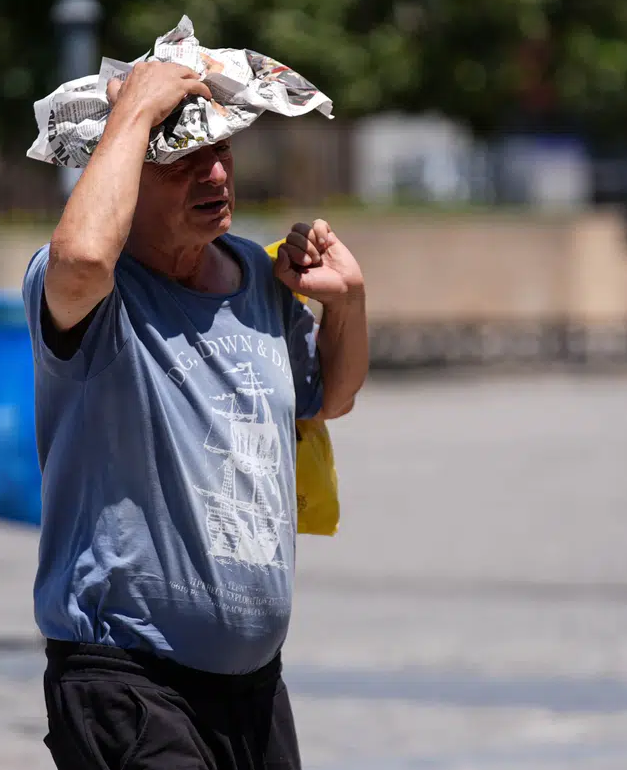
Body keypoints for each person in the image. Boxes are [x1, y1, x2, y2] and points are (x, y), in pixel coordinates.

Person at [23, 60, 369, 769]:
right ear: (124, 172)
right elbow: (82, 256)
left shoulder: (257, 275)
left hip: (255, 690)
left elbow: (330, 398)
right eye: (182, 161)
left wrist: (347, 304)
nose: (214, 176)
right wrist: (134, 111)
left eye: (222, 153)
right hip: (129, 680)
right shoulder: (92, 290)